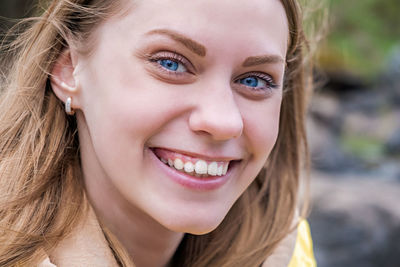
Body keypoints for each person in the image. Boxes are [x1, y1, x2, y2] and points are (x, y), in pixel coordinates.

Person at [0, 0, 316, 266]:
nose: (223, 122)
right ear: (69, 69)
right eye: (171, 63)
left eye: (254, 81)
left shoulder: (289, 250)